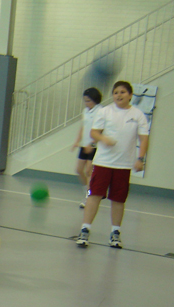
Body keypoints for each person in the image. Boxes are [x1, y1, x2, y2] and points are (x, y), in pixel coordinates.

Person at [76, 81, 149, 249]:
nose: (119, 95)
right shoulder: (105, 111)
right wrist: (103, 139)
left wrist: (140, 158)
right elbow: (94, 132)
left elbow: (144, 138)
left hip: (123, 165)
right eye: (116, 92)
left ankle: (115, 233)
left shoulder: (138, 114)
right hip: (103, 163)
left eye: (123, 92)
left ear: (130, 95)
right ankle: (85, 230)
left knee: (118, 199)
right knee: (94, 196)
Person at [71, 88, 102, 209]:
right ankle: (87, 190)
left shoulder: (101, 111)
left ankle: (88, 197)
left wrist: (93, 144)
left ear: (95, 100)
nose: (86, 103)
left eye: (88, 101)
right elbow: (83, 127)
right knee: (79, 170)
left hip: (95, 146)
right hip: (84, 145)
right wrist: (77, 141)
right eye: (85, 101)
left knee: (89, 171)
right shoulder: (85, 111)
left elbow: (102, 130)